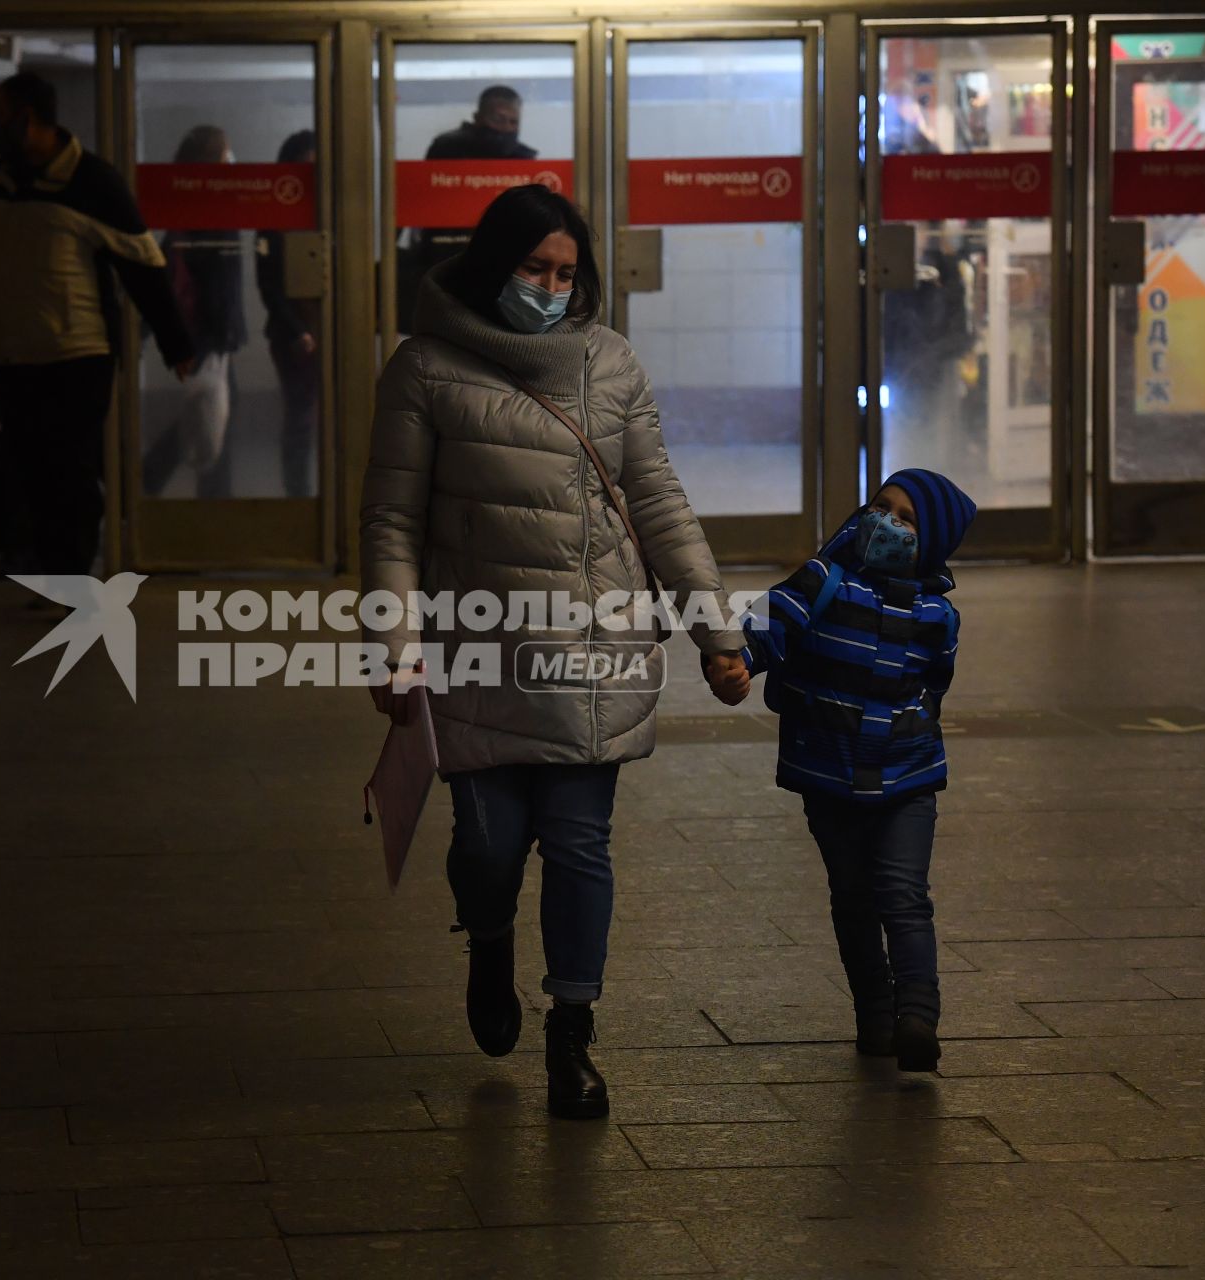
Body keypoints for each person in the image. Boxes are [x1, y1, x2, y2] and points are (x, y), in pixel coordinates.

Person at [361, 184, 748, 1120]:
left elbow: (659, 502)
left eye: (567, 272)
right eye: (535, 267)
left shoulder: (609, 364)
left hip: (593, 652)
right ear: (494, 263)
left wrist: (716, 632)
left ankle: (571, 1035)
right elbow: (391, 522)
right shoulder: (423, 369)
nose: (550, 286)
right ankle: (489, 938)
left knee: (579, 847)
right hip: (478, 650)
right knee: (490, 847)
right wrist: (393, 645)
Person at [717, 469, 976, 1072]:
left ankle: (918, 1017)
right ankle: (874, 1015)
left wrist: (908, 731)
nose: (885, 523)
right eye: (880, 507)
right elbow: (768, 623)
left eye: (905, 519)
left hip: (909, 778)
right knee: (854, 896)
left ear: (931, 542)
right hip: (830, 776)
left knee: (904, 896)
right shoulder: (823, 582)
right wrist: (741, 662)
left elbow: (935, 684)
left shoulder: (939, 616)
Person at [0, 72, 194, 575]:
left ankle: (73, 575)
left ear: (27, 119)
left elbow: (143, 266)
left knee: (70, 472)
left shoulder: (92, 183)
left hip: (77, 358)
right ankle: (46, 567)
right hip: (14, 355)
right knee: (30, 468)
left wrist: (174, 341)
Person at [142, 125, 246, 499]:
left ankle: (151, 479)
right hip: (208, 337)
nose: (231, 161)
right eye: (226, 154)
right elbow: (214, 286)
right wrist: (223, 335)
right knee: (215, 419)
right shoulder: (212, 216)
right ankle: (213, 505)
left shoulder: (185, 212)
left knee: (202, 419)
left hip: (206, 336)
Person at [397, 86, 538, 335]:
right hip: (446, 257)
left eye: (513, 121)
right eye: (498, 119)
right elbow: (419, 198)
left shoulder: (522, 159)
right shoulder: (447, 149)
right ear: (478, 118)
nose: (505, 128)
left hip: (501, 267)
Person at [253, 129, 321, 498]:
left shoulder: (330, 214)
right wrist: (297, 331)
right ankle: (298, 496)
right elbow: (268, 286)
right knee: (299, 417)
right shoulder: (274, 219)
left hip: (331, 328)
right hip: (293, 333)